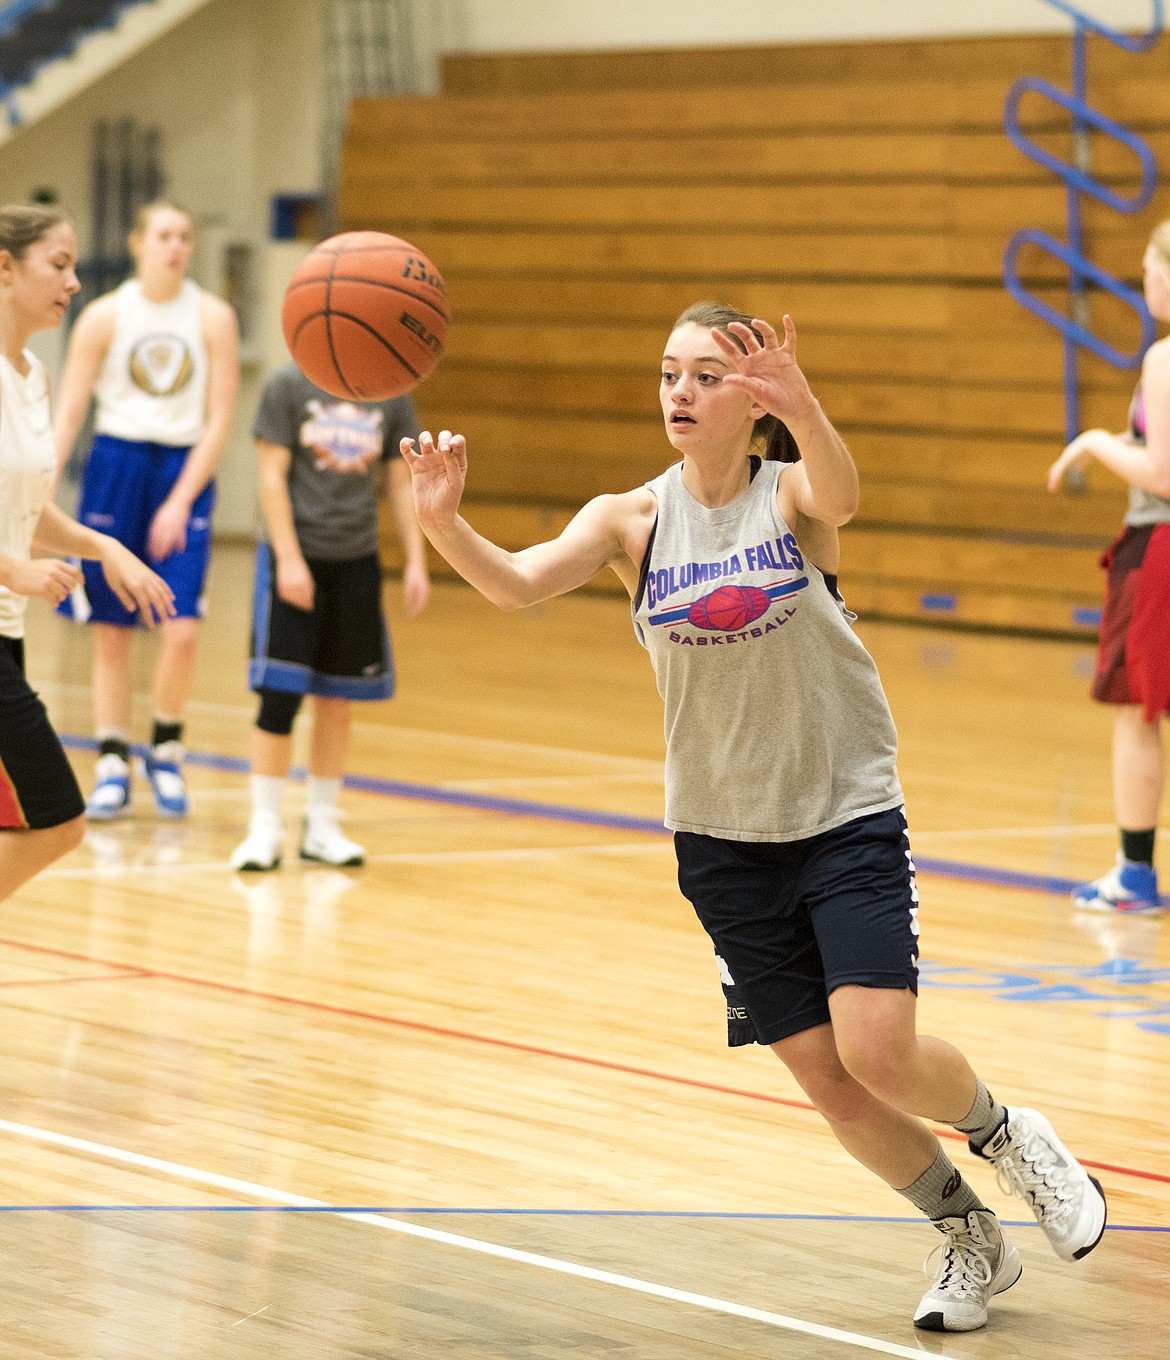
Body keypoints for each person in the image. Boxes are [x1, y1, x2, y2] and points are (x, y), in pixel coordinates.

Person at [401, 301, 1108, 1333]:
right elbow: (513, 585)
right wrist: (441, 522)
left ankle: (1008, 1137)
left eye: (703, 376)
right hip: (722, 841)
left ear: (751, 399)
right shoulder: (629, 519)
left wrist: (806, 404)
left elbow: (845, 493)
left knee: (880, 1046)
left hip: (843, 811)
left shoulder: (789, 499)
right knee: (833, 1082)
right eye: (667, 374)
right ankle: (966, 1235)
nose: (679, 393)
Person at [0, 204, 175, 908]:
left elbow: (26, 508)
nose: (74, 282)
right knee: (58, 817)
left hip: (8, 630)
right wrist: (15, 569)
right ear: (4, 268)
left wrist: (107, 548)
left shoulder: (32, 376)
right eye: (59, 264)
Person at [53, 201, 239, 821]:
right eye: (163, 236)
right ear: (137, 242)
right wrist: (38, 492)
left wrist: (182, 499)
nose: (175, 247)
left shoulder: (213, 316)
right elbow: (71, 412)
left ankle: (166, 746)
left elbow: (220, 418)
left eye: (184, 236)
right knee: (112, 629)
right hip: (116, 465)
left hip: (181, 468)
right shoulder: (104, 316)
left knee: (181, 629)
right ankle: (111, 759)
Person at [229, 361, 429, 872]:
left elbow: (401, 484)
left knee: (338, 698)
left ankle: (320, 824)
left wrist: (415, 561)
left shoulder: (390, 388)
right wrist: (290, 558)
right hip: (295, 556)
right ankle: (265, 826)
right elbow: (270, 477)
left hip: (356, 561)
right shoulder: (287, 385)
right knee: (279, 696)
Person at [1048, 222, 1170, 916]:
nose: (1144, 279)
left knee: (1136, 709)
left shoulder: (1163, 357)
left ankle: (1134, 873)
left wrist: (1094, 440)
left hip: (1161, 546)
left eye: (1150, 268)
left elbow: (1163, 470)